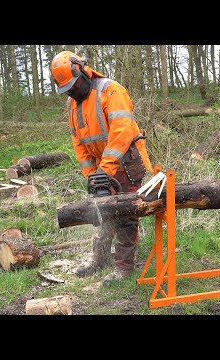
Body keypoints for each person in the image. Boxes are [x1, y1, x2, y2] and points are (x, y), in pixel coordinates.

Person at [50, 51, 153, 283]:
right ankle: (100, 259)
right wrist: (92, 176)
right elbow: (79, 143)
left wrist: (104, 171)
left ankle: (124, 267)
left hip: (126, 161)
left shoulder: (111, 90)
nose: (72, 92)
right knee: (103, 212)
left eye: (73, 86)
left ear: (84, 71)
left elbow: (122, 133)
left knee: (126, 214)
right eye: (67, 89)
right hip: (102, 166)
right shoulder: (71, 105)